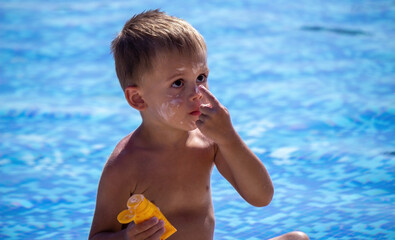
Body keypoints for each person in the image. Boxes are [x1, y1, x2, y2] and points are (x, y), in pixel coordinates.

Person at [89, 9, 309, 240]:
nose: (196, 93)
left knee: (297, 239)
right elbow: (97, 236)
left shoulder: (209, 140)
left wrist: (229, 138)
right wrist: (127, 238)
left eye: (201, 78)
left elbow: (261, 197)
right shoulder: (126, 164)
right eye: (178, 83)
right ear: (138, 99)